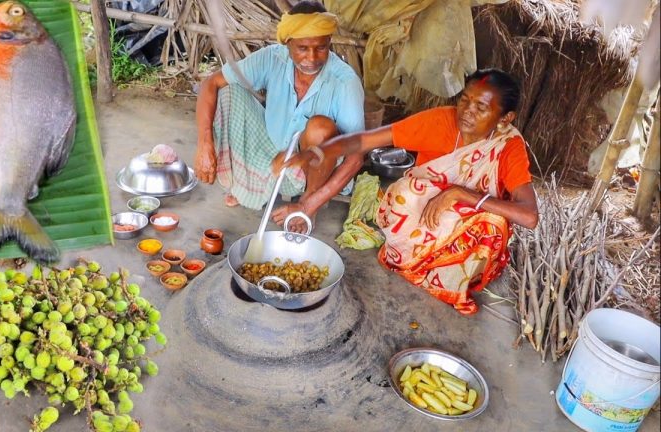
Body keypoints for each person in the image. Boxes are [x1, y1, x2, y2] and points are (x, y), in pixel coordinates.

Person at [276, 68, 539, 315]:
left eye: (481, 107)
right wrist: (318, 152)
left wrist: (460, 194)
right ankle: (412, 261)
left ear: (505, 118)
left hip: (467, 230)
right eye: (465, 100)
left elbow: (529, 216)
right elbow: (365, 140)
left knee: (494, 224)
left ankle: (448, 280)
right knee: (406, 192)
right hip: (423, 218)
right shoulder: (440, 121)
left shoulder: (508, 147)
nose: (467, 112)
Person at [194, 1, 365, 232]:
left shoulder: (345, 81)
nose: (312, 58)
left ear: (329, 43)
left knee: (320, 128)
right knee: (228, 91)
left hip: (316, 169)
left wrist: (309, 204)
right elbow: (210, 83)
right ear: (287, 43)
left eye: (321, 47)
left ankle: (307, 203)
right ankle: (242, 184)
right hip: (273, 153)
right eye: (302, 48)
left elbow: (355, 158)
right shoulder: (272, 58)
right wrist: (204, 144)